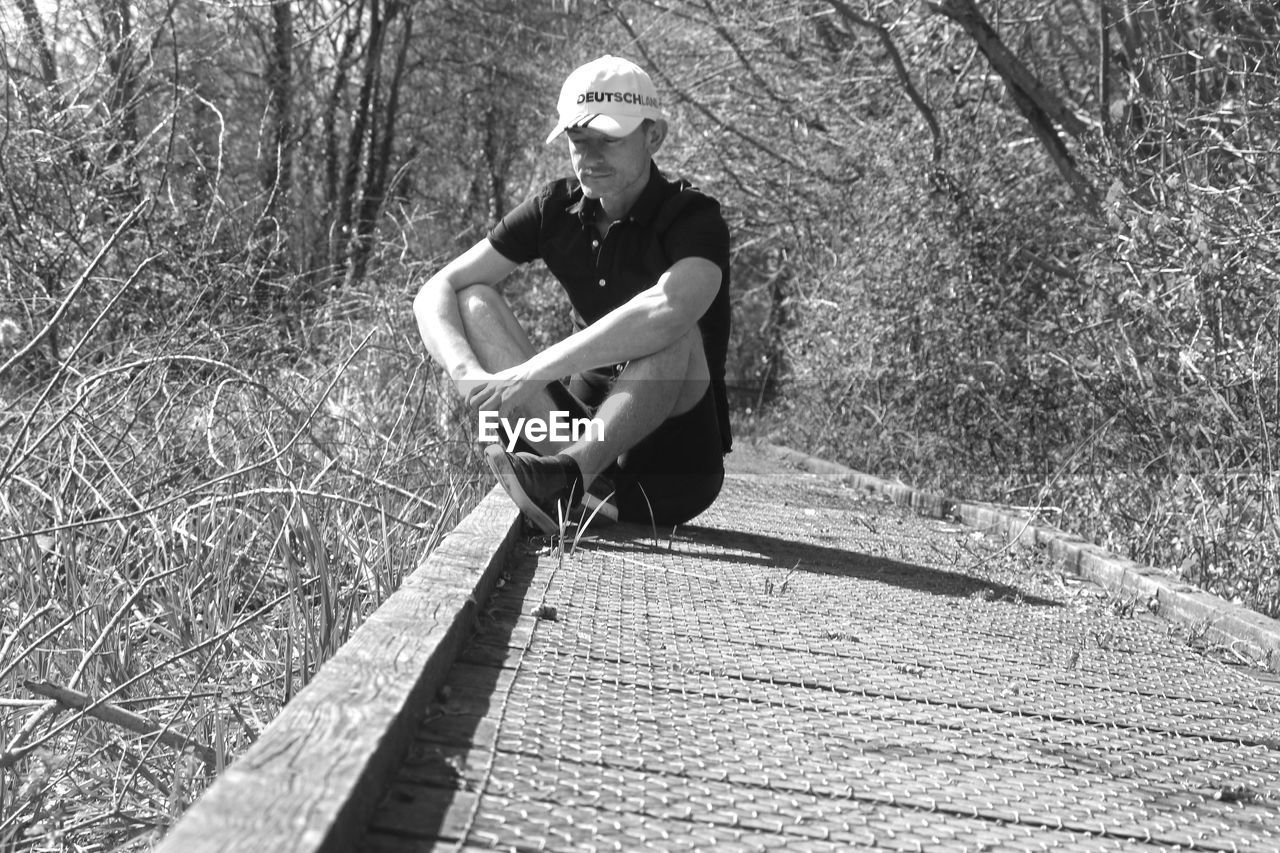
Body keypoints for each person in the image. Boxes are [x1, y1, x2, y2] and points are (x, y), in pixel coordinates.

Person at [413, 55, 732, 535]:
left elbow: (670, 310)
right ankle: (566, 478)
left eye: (609, 140)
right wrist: (472, 378)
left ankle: (573, 477)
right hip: (560, 438)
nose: (589, 156)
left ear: (654, 137)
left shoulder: (694, 217)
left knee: (673, 331)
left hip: (673, 471)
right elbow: (436, 289)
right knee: (474, 298)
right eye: (578, 141)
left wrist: (530, 372)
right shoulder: (554, 209)